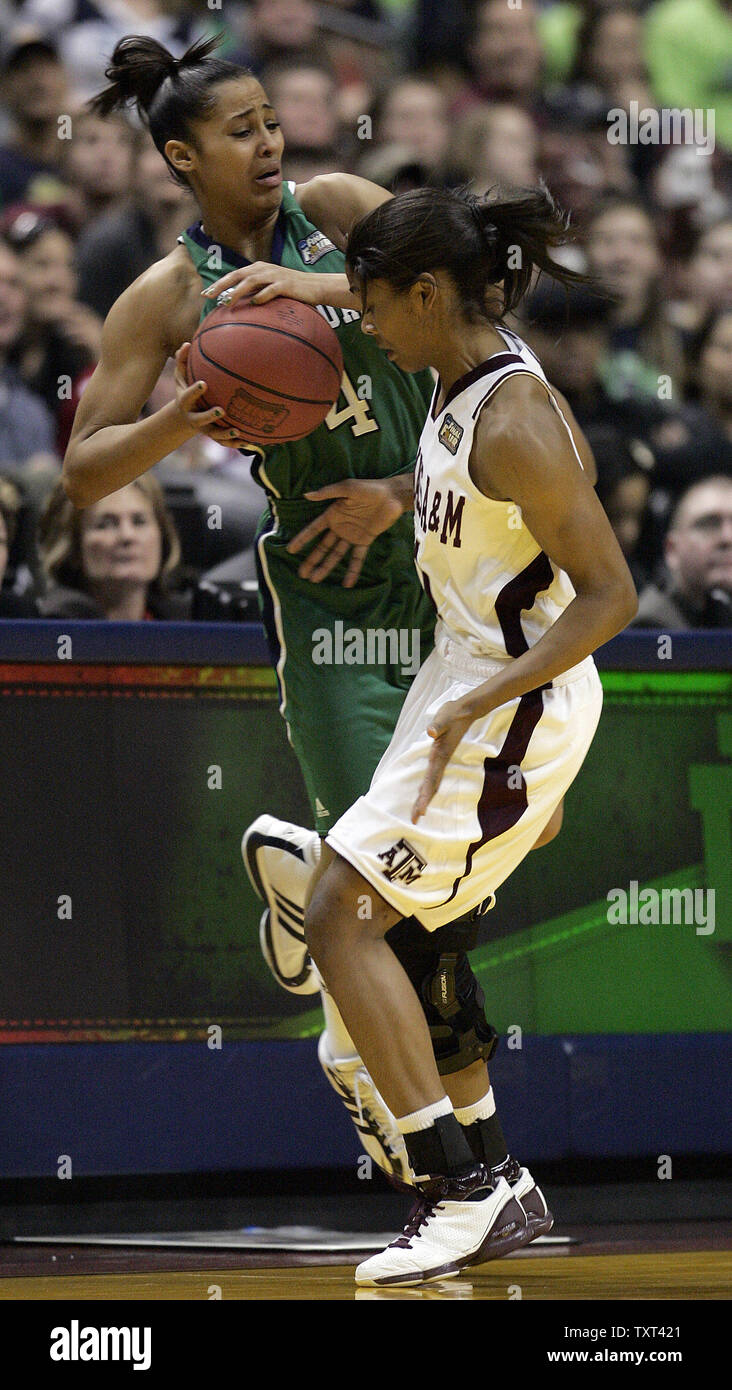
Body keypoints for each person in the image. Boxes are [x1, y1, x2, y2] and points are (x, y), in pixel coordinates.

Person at [62, 33, 551, 1211]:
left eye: (274, 119)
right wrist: (188, 412)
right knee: (409, 913)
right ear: (183, 156)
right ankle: (462, 1170)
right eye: (242, 131)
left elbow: (468, 290)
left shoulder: (339, 208)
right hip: (329, 602)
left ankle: (317, 917)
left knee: (463, 879)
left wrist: (398, 484)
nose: (272, 142)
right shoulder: (166, 296)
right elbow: (83, 472)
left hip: (441, 561)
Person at [297, 185, 636, 1285]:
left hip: (508, 699)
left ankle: (461, 1190)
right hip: (468, 685)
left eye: (374, 305)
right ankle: (496, 1178)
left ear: (430, 295)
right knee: (412, 938)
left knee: (342, 914)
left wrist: (492, 715)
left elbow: (609, 596)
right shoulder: (457, 383)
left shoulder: (518, 416)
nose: (368, 325)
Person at [37, 473, 190, 620]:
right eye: (105, 524)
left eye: (139, 521)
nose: (127, 536)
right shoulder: (52, 628)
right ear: (74, 545)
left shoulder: (187, 623)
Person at [633, 475, 732, 628]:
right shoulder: (651, 626)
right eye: (709, 524)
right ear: (671, 549)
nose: (727, 537)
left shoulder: (719, 610)